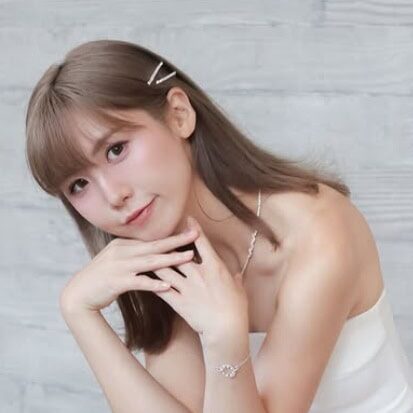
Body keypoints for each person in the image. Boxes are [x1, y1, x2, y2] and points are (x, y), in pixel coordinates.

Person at [25, 39, 413, 412]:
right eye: (79, 185)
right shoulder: (171, 260)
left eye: (116, 149)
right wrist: (80, 314)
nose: (113, 196)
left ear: (179, 115)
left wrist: (225, 341)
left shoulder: (318, 234)